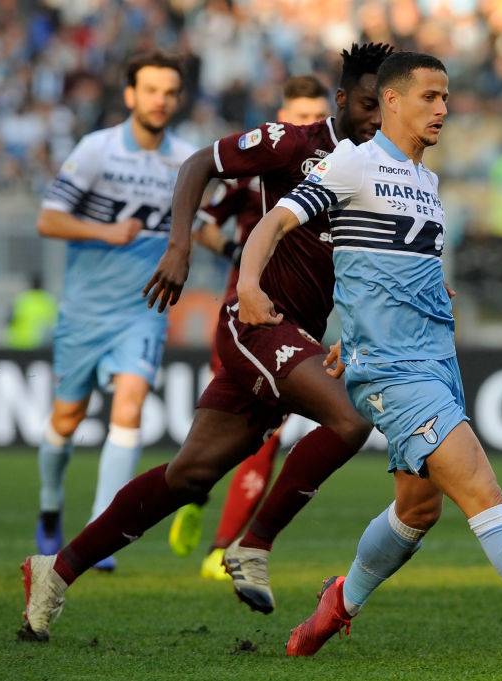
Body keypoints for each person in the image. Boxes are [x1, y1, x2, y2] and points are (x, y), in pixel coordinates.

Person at [17, 43, 394, 643]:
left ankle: (54, 571)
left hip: (297, 336)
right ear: (344, 99)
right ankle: (253, 544)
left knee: (189, 476)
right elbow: (198, 164)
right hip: (255, 324)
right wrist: (179, 246)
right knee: (350, 421)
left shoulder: (379, 169)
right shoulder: (293, 143)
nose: (379, 117)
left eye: (389, 106)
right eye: (372, 104)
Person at [235, 51, 502, 661]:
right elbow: (274, 223)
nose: (443, 108)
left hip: (436, 363)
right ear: (392, 102)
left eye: (447, 97)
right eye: (429, 96)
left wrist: (406, 302)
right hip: (395, 374)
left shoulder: (427, 182)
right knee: (484, 494)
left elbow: (382, 267)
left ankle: (336, 606)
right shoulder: (353, 162)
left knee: (418, 509)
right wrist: (251, 285)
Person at [31, 51, 196, 572]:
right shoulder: (96, 150)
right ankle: (51, 505)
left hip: (143, 310)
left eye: (169, 92)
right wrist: (105, 231)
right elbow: (49, 220)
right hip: (84, 311)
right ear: (130, 95)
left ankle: (98, 531)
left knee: (130, 406)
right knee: (67, 419)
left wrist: (232, 244)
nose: (160, 100)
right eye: (150, 90)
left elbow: (197, 226)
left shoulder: (186, 159)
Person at [167, 75, 332, 581]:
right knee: (233, 433)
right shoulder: (256, 168)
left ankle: (225, 544)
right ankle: (197, 494)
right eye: (297, 113)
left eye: (314, 114)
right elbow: (205, 222)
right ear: (282, 112)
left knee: (267, 437)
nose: (305, 123)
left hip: (296, 319)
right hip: (246, 316)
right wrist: (236, 253)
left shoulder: (338, 168)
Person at [6, 273, 58, 350]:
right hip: (41, 347)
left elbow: (9, 320)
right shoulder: (49, 301)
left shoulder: (21, 300)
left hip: (18, 345)